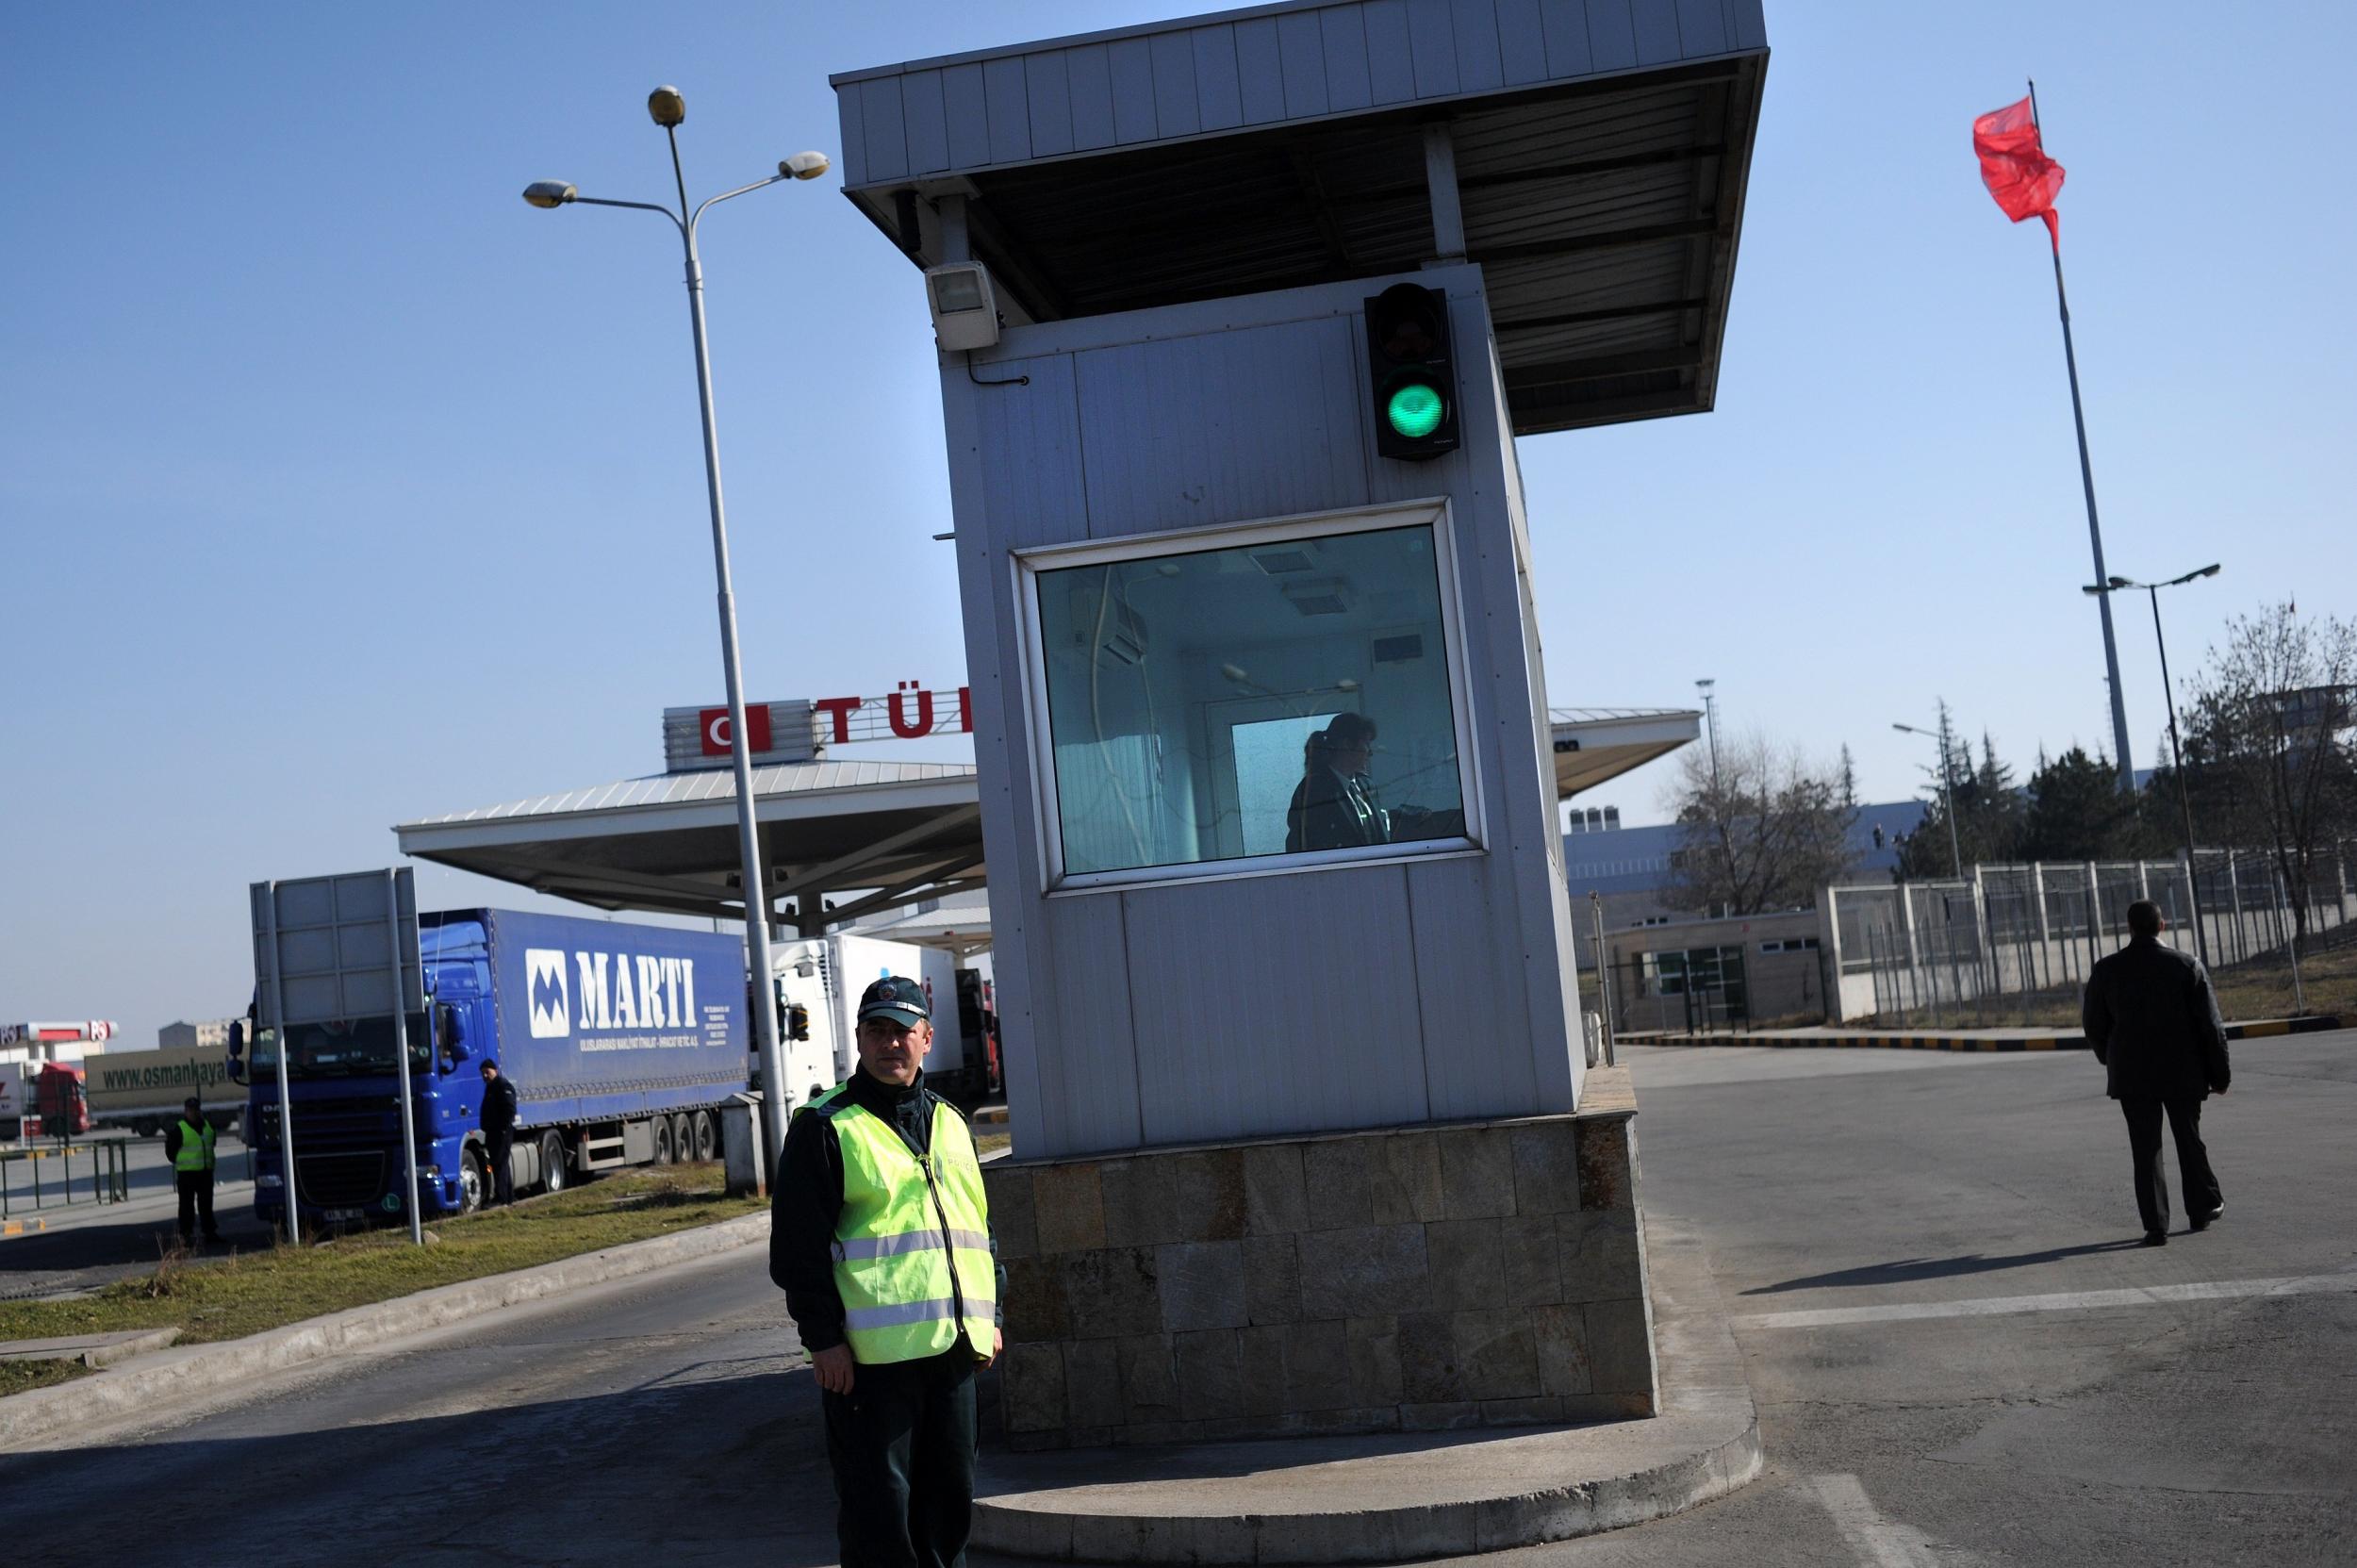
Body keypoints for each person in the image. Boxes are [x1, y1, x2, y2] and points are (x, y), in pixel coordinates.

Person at [772, 976, 1002, 1568]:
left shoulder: (952, 1121)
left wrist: (991, 1315)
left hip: (953, 1352)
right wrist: (823, 1341)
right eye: (877, 1031)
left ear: (927, 1037)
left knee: (949, 1506)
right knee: (881, 1517)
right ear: (858, 1039)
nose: (890, 1043)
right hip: (870, 1367)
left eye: (902, 1031)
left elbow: (977, 1227)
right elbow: (797, 1253)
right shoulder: (824, 1127)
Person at [2082, 900, 2231, 1246]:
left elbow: (2094, 1025)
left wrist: (2111, 1058)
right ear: (2163, 926)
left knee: (2145, 1149)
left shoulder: (2107, 970)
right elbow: (2211, 1026)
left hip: (2133, 1076)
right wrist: (2220, 1075)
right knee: (2189, 1138)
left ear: (2130, 928)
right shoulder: (2187, 965)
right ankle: (2202, 1207)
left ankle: (2156, 1225)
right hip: (2184, 1072)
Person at [1286, 712, 1390, 852]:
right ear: (1347, 744)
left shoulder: (1366, 786)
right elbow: (1301, 846)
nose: (1370, 752)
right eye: (1366, 743)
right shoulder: (1312, 791)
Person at [167, 1097, 222, 1246]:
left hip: (205, 1172)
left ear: (199, 1109)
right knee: (186, 1206)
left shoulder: (208, 1126)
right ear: (186, 1111)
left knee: (206, 1205)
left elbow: (212, 1144)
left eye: (195, 1109)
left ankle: (209, 1232)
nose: (193, 1112)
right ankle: (185, 1235)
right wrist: (180, 1161)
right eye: (190, 1110)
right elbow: (170, 1151)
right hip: (187, 1174)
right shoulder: (179, 1128)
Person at [477, 1060, 519, 1207]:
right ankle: (508, 1197)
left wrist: (502, 1129)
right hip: (493, 1133)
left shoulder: (502, 1086)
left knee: (499, 1164)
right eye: (482, 1073)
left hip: (501, 1133)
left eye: (487, 1072)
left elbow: (510, 1109)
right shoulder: (490, 1088)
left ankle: (501, 1197)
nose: (485, 1075)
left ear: (494, 1070)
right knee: (499, 1164)